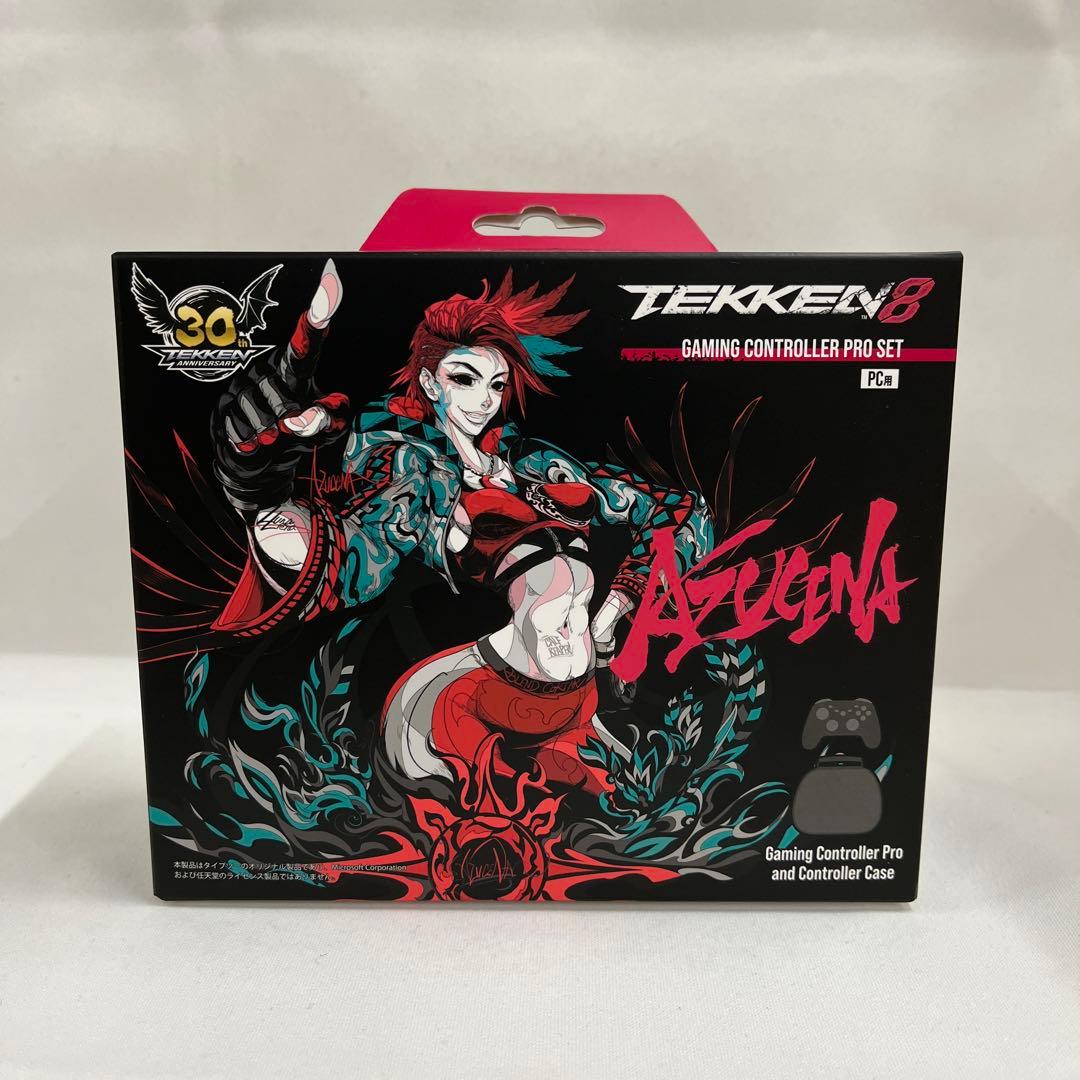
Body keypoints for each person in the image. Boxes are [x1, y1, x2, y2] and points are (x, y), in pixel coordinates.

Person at [210, 261, 713, 792]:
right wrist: (263, 492)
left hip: (579, 695)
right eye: (464, 380)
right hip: (484, 693)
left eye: (496, 384)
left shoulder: (536, 462)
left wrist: (615, 608)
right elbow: (357, 550)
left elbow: (682, 513)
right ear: (431, 382)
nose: (484, 400)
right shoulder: (415, 473)